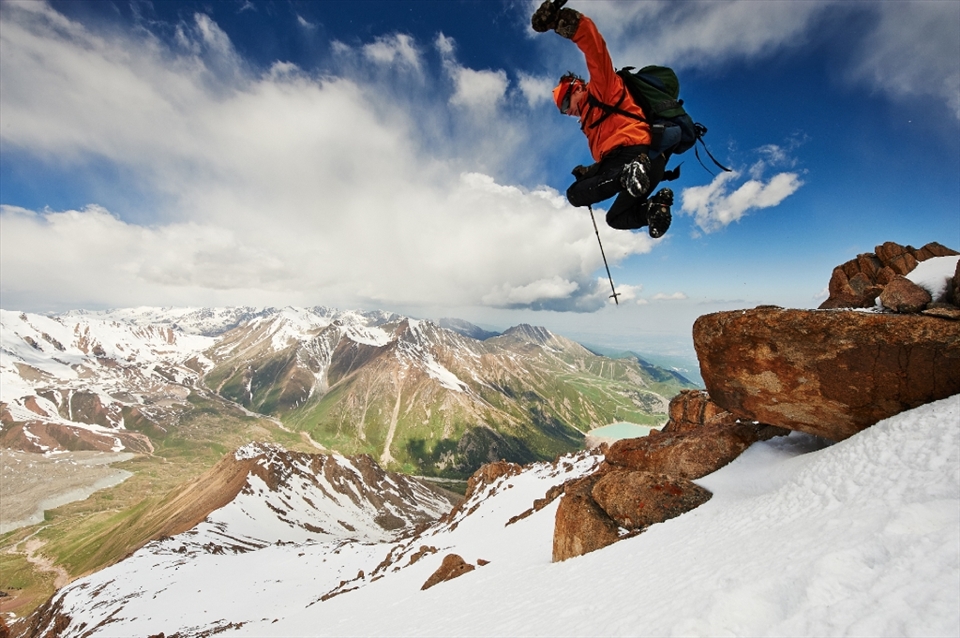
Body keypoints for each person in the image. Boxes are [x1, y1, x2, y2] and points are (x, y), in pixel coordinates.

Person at [532, 1, 673, 238]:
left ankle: (629, 174)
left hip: (636, 154)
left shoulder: (603, 90)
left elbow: (595, 49)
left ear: (577, 88)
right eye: (563, 111)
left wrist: (560, 21)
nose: (568, 112)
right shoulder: (591, 125)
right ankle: (654, 209)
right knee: (615, 219)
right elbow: (610, 156)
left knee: (575, 194)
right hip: (646, 163)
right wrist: (590, 171)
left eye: (566, 104)